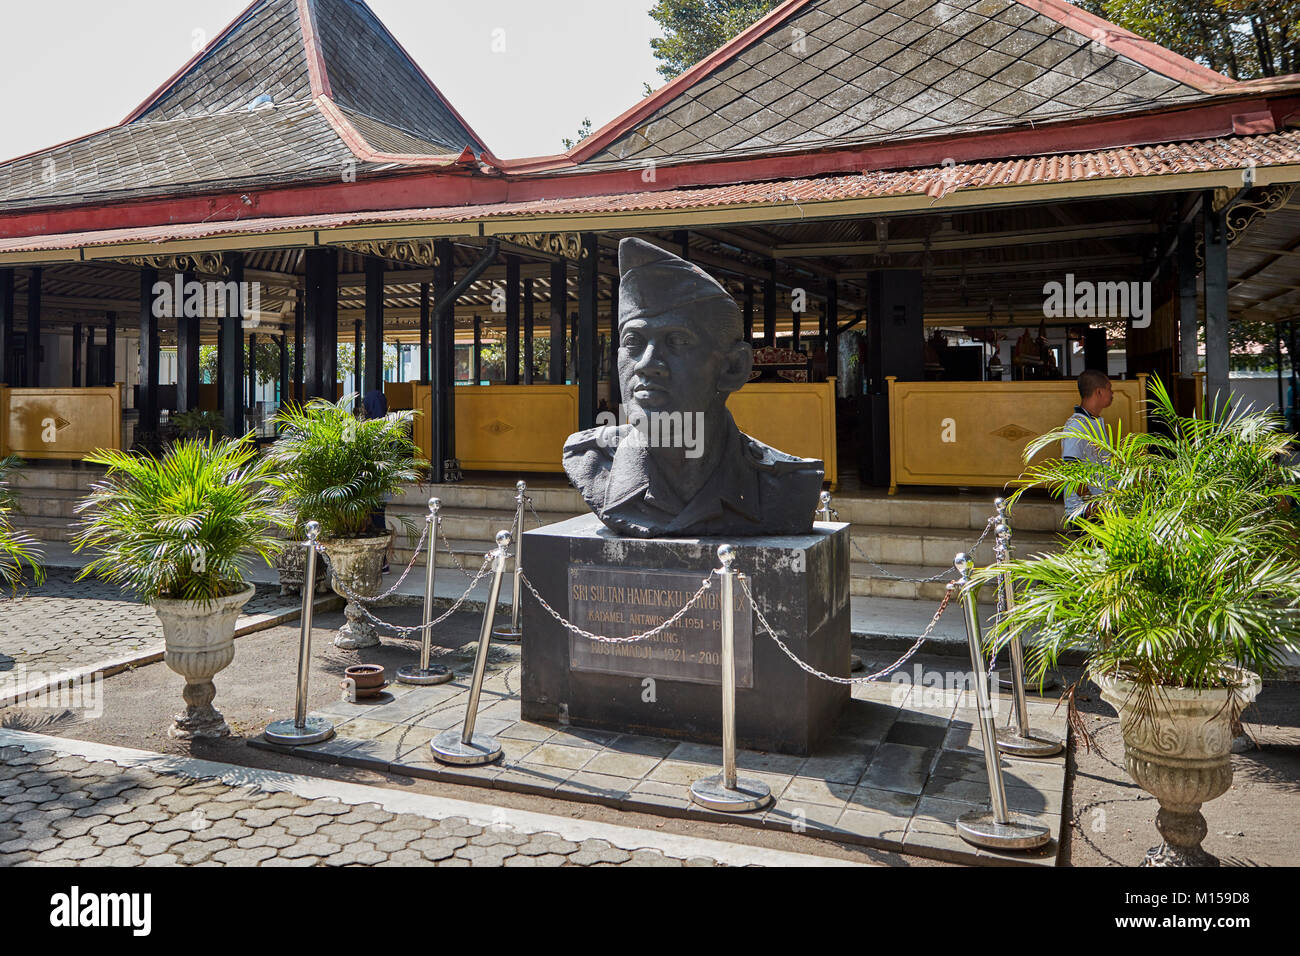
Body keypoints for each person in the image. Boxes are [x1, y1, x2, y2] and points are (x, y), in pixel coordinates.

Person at [563, 237, 824, 538]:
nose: (646, 363)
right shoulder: (591, 462)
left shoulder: (787, 486)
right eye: (633, 342)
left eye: (678, 341)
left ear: (733, 367)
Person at [1061, 369, 1113, 523]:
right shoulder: (1076, 425)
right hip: (1086, 511)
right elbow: (1072, 467)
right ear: (1099, 392)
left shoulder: (1095, 421)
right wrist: (1091, 503)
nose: (1112, 394)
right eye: (1109, 389)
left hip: (1102, 506)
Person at [362, 388, 391, 572]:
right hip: (382, 485)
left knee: (372, 522)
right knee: (379, 521)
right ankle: (382, 561)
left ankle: (376, 562)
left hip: (367, 485)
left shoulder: (367, 428)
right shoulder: (389, 427)